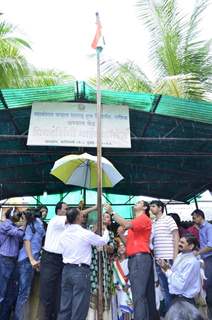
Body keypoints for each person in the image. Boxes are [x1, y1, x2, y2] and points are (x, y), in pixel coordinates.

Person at [39, 201, 97, 320]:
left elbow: (76, 217)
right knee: (47, 293)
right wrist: (94, 207)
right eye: (66, 209)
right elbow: (75, 215)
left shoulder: (69, 226)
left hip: (62, 261)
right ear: (58, 211)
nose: (67, 211)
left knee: (61, 295)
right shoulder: (56, 220)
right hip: (50, 259)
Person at [106, 201, 158, 320]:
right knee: (141, 295)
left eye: (139, 202)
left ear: (145, 207)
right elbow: (128, 244)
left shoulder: (143, 218)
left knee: (138, 296)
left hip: (140, 258)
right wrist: (121, 235)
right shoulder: (136, 223)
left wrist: (112, 212)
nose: (135, 203)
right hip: (136, 257)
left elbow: (127, 224)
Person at [57, 207, 109, 320]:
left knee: (65, 305)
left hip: (66, 270)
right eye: (81, 214)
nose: (83, 216)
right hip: (80, 271)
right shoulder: (84, 233)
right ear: (78, 218)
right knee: (79, 306)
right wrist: (106, 231)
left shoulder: (63, 234)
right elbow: (102, 241)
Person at [14, 208, 45, 320]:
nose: (45, 213)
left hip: (29, 260)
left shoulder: (36, 223)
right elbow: (27, 241)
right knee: (24, 294)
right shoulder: (33, 224)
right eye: (43, 211)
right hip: (26, 261)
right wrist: (32, 259)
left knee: (24, 293)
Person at [150, 200, 179, 311]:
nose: (151, 209)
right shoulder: (153, 223)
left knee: (174, 287)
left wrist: (175, 256)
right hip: (158, 260)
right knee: (164, 289)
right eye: (150, 207)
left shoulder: (168, 219)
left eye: (153, 206)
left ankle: (178, 315)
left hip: (169, 258)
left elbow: (176, 236)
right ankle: (170, 314)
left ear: (160, 208)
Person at [157, 233, 201, 305]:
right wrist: (165, 267)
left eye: (182, 243)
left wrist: (167, 270)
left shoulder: (191, 262)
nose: (179, 244)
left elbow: (180, 284)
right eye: (179, 241)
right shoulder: (180, 255)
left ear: (191, 246)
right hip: (178, 298)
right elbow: (175, 274)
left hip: (185, 300)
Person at [0, 207, 26, 316]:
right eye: (17, 214)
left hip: (12, 260)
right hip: (5, 259)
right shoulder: (6, 224)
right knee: (2, 290)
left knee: (10, 290)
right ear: (10, 215)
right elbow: (19, 234)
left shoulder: (14, 225)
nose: (19, 216)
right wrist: (25, 223)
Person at [191, 209, 212, 318]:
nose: (193, 220)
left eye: (194, 218)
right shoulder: (201, 229)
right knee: (207, 286)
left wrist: (198, 252)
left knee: (209, 285)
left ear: (200, 216)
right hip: (206, 259)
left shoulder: (209, 228)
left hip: (210, 258)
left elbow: (210, 245)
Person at [112, 240, 133, 320]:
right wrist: (116, 284)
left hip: (128, 288)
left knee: (127, 308)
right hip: (119, 289)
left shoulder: (130, 261)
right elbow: (114, 275)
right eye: (119, 246)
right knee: (120, 309)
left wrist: (128, 285)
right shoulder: (115, 263)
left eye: (123, 246)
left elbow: (132, 274)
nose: (121, 248)